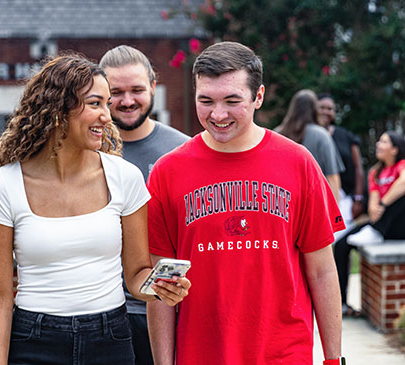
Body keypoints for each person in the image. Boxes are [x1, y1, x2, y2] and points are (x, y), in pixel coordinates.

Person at [0, 53, 190, 364]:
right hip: (33, 340)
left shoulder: (124, 177)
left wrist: (161, 287)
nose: (107, 115)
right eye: (95, 104)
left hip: (110, 339)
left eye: (107, 103)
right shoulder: (4, 185)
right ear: (58, 110)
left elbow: (135, 276)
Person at [146, 41, 345, 364]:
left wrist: (334, 359)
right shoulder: (167, 172)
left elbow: (322, 271)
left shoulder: (298, 163)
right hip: (201, 354)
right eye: (206, 101)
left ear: (259, 97)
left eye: (232, 100)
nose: (218, 114)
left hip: (284, 353)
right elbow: (162, 286)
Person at [99, 45, 190, 365]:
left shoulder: (183, 151)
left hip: (168, 310)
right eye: (116, 92)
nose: (127, 101)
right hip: (101, 314)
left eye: (137, 89)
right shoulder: (84, 152)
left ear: (153, 86)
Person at [334, 131, 405, 318]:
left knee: (401, 195)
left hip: (399, 225)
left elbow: (403, 183)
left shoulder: (402, 165)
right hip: (381, 224)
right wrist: (374, 207)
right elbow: (373, 197)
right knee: (342, 245)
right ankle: (341, 303)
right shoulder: (375, 171)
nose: (378, 144)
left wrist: (382, 204)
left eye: (384, 142)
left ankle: (375, 231)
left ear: (395, 149)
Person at [276, 89, 344, 203]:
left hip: (284, 201)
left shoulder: (277, 134)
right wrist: (335, 212)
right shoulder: (322, 135)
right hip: (314, 202)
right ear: (314, 109)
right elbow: (333, 176)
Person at [317, 93, 365, 238]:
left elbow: (358, 167)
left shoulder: (345, 136)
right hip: (316, 198)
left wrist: (358, 198)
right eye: (322, 108)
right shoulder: (307, 134)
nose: (326, 112)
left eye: (330, 109)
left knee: (341, 244)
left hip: (344, 198)